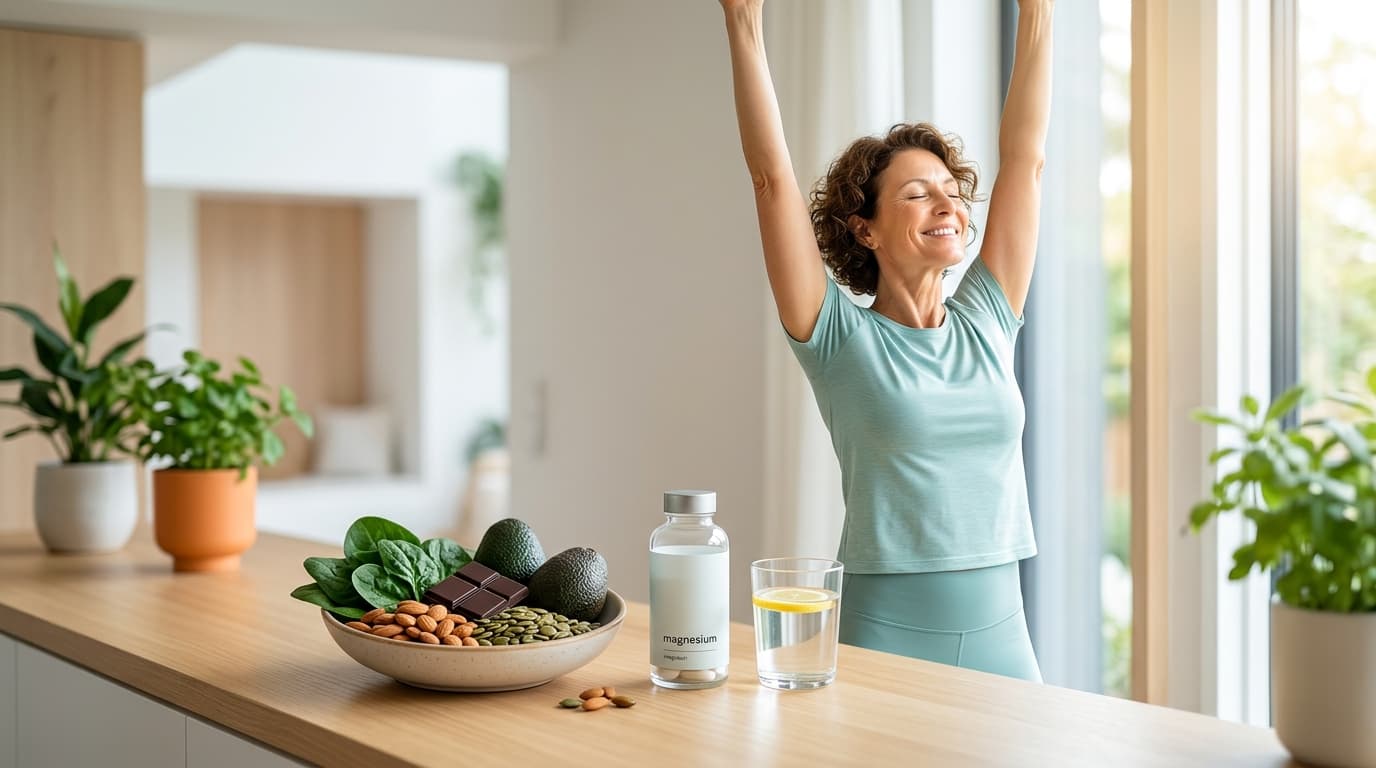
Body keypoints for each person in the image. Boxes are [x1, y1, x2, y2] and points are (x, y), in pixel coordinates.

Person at [719, 0, 1053, 682]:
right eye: (915, 194)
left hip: (1004, 634)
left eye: (950, 191)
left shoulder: (988, 318)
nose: (947, 204)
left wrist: (1038, 13)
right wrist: (743, 24)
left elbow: (1028, 159)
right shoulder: (840, 337)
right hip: (884, 635)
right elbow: (770, 182)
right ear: (864, 229)